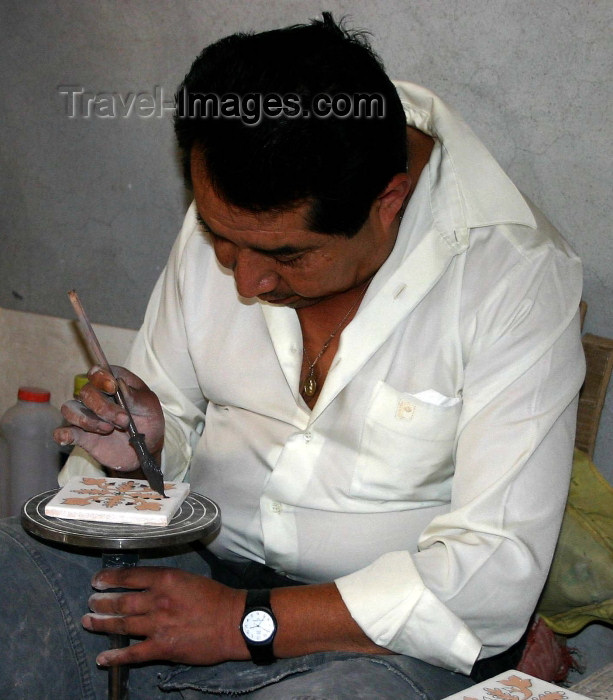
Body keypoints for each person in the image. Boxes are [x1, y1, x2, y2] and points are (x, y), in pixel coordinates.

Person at [0, 14, 585, 699]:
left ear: (387, 203)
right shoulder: (242, 199)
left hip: (373, 639)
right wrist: (154, 447)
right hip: (196, 568)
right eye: (221, 241)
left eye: (287, 256)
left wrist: (244, 622)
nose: (246, 283)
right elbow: (173, 418)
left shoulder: (511, 279)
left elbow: (493, 573)